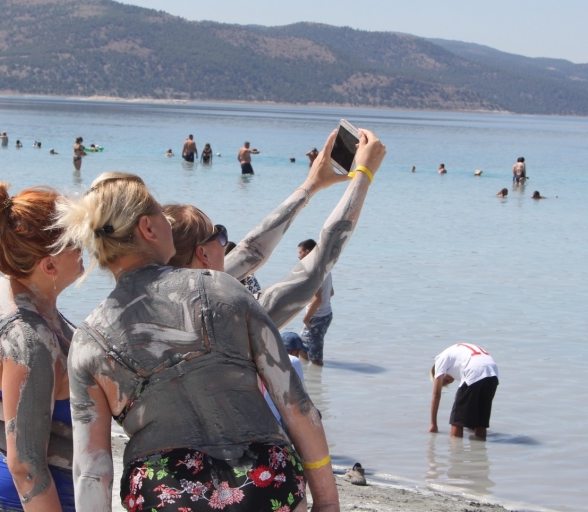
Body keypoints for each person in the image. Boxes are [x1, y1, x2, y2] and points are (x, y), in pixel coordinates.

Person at [55, 169, 380, 511]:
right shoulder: (221, 288)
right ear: (148, 228)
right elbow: (297, 406)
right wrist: (327, 502)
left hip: (166, 495)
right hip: (262, 483)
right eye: (162, 217)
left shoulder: (88, 341)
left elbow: (92, 470)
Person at [166, 128, 384, 331]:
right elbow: (314, 271)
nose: (227, 245)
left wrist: (311, 185)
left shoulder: (167, 298)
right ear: (202, 254)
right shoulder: (221, 316)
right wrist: (364, 174)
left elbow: (251, 251)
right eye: (220, 235)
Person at [0, 182, 82, 512]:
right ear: (49, 266)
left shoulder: (7, 290)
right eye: (74, 240)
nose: (84, 245)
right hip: (20, 500)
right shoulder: (29, 341)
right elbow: (25, 466)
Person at [429, 343, 499, 440]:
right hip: (493, 372)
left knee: (457, 421)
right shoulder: (456, 356)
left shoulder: (440, 360)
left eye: (444, 381)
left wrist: (433, 424)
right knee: (481, 422)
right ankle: (480, 451)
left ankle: (456, 452)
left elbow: (436, 395)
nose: (446, 382)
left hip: (474, 369)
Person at [297, 239, 334, 366]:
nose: (298, 255)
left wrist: (306, 319)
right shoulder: (325, 267)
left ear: (307, 252)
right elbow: (331, 292)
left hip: (317, 318)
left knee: (315, 356)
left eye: (300, 252)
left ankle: (316, 380)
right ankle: (307, 379)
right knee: (301, 348)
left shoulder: (314, 271)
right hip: (325, 315)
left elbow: (318, 299)